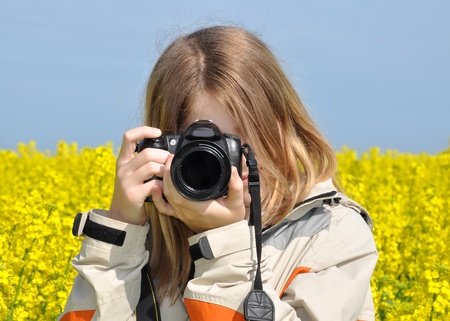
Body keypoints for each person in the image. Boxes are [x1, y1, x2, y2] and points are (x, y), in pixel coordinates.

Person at [59, 25, 378, 321]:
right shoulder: (149, 240)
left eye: (235, 142)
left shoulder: (331, 233)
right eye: (196, 149)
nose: (220, 164)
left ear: (280, 127)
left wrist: (223, 248)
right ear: (164, 147)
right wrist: (119, 235)